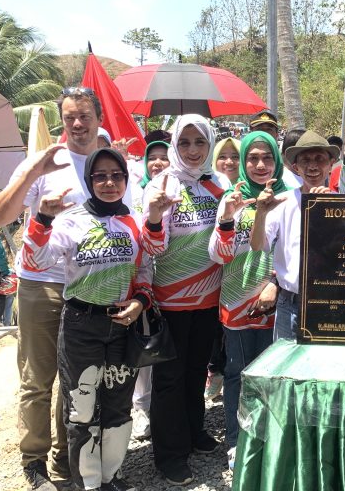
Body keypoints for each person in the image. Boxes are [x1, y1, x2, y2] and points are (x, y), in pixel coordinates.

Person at [0, 86, 130, 490]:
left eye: (84, 115)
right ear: (61, 120)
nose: (77, 124)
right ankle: (32, 459)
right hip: (42, 284)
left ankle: (63, 458)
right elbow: (0, 215)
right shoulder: (43, 162)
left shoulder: (112, 163)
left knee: (75, 380)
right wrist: (34, 173)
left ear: (98, 117)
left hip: (90, 292)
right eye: (69, 116)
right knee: (38, 378)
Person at [22, 148, 152, 491]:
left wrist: (140, 301)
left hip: (123, 326)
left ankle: (111, 476)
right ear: (89, 179)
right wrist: (43, 220)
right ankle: (89, 484)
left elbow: (145, 269)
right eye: (100, 176)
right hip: (81, 324)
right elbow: (37, 261)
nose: (109, 182)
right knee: (81, 410)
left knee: (118, 406)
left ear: (126, 179)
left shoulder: (135, 220)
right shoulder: (71, 219)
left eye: (116, 175)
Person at [141, 114, 229, 486]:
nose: (193, 150)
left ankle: (195, 432)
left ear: (210, 144)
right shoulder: (161, 185)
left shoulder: (220, 183)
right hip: (172, 301)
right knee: (168, 381)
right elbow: (151, 248)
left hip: (210, 298)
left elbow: (229, 236)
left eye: (200, 142)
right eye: (185, 143)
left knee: (196, 372)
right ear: (174, 145)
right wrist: (157, 216)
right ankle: (169, 454)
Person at [209, 131, 288, 469]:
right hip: (237, 301)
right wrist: (228, 218)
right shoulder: (232, 197)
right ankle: (236, 440)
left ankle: (271, 439)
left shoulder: (290, 200)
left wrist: (274, 285)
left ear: (277, 161)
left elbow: (298, 254)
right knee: (237, 373)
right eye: (252, 158)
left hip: (278, 302)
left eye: (267, 158)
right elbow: (219, 254)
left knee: (273, 375)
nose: (259, 164)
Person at [251, 131, 339, 341]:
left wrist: (329, 212)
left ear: (331, 164)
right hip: (290, 302)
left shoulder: (342, 203)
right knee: (284, 369)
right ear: (295, 167)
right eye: (305, 160)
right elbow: (257, 245)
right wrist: (261, 212)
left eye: (320, 159)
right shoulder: (282, 202)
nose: (312, 166)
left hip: (330, 302)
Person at [129, 139, 170, 442]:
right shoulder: (134, 190)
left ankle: (159, 409)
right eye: (152, 158)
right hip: (140, 285)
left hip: (168, 285)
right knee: (143, 349)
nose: (157, 163)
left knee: (161, 349)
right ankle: (142, 409)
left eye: (163, 158)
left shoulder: (177, 193)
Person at [204, 136, 242, 402]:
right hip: (203, 276)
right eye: (222, 156)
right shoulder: (206, 185)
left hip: (236, 279)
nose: (228, 162)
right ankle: (214, 369)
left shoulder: (250, 192)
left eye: (235, 156)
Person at [249, 109, 301, 189]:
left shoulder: (288, 164)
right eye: (259, 130)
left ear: (276, 135)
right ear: (250, 133)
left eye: (269, 130)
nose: (264, 134)